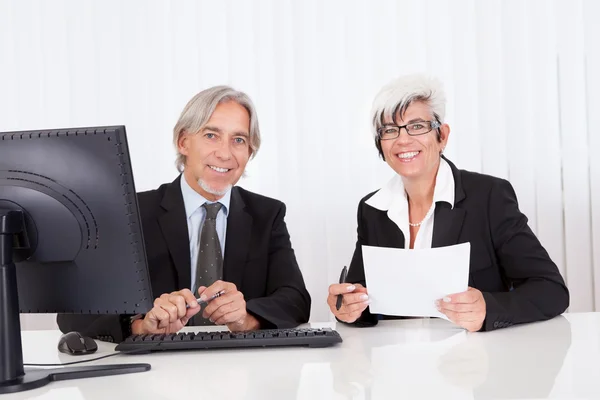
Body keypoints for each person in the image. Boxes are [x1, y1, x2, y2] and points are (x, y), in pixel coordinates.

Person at [58, 86, 311, 341]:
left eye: (238, 140)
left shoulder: (267, 215)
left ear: (249, 152)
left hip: (239, 366)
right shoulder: (132, 212)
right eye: (211, 135)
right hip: (155, 369)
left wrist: (247, 318)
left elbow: (296, 298)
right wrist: (140, 326)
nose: (224, 153)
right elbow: (74, 312)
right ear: (183, 142)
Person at [327, 74, 569, 332]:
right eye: (389, 130)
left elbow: (551, 290)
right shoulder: (373, 209)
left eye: (417, 126)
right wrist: (347, 308)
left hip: (473, 363)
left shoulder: (488, 196)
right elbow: (361, 301)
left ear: (442, 135)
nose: (403, 140)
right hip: (394, 362)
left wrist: (488, 308)